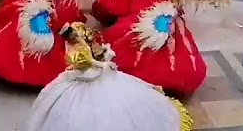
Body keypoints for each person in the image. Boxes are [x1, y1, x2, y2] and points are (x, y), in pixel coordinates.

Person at [19, 23, 192, 131]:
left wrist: (104, 56)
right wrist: (104, 65)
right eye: (72, 35)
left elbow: (93, 52)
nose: (75, 36)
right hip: (85, 77)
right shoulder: (75, 50)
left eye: (74, 34)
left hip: (94, 74)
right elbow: (86, 63)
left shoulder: (80, 41)